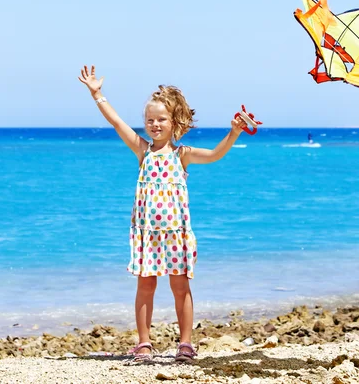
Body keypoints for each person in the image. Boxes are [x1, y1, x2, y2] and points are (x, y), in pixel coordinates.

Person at [78, 65, 247, 363]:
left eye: (161, 119)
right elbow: (117, 123)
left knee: (180, 286)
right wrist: (98, 94)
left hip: (176, 233)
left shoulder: (182, 155)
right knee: (145, 286)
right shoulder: (143, 151)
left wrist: (233, 133)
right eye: (149, 120)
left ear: (173, 121)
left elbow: (215, 155)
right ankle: (144, 344)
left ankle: (185, 344)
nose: (154, 124)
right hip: (146, 235)